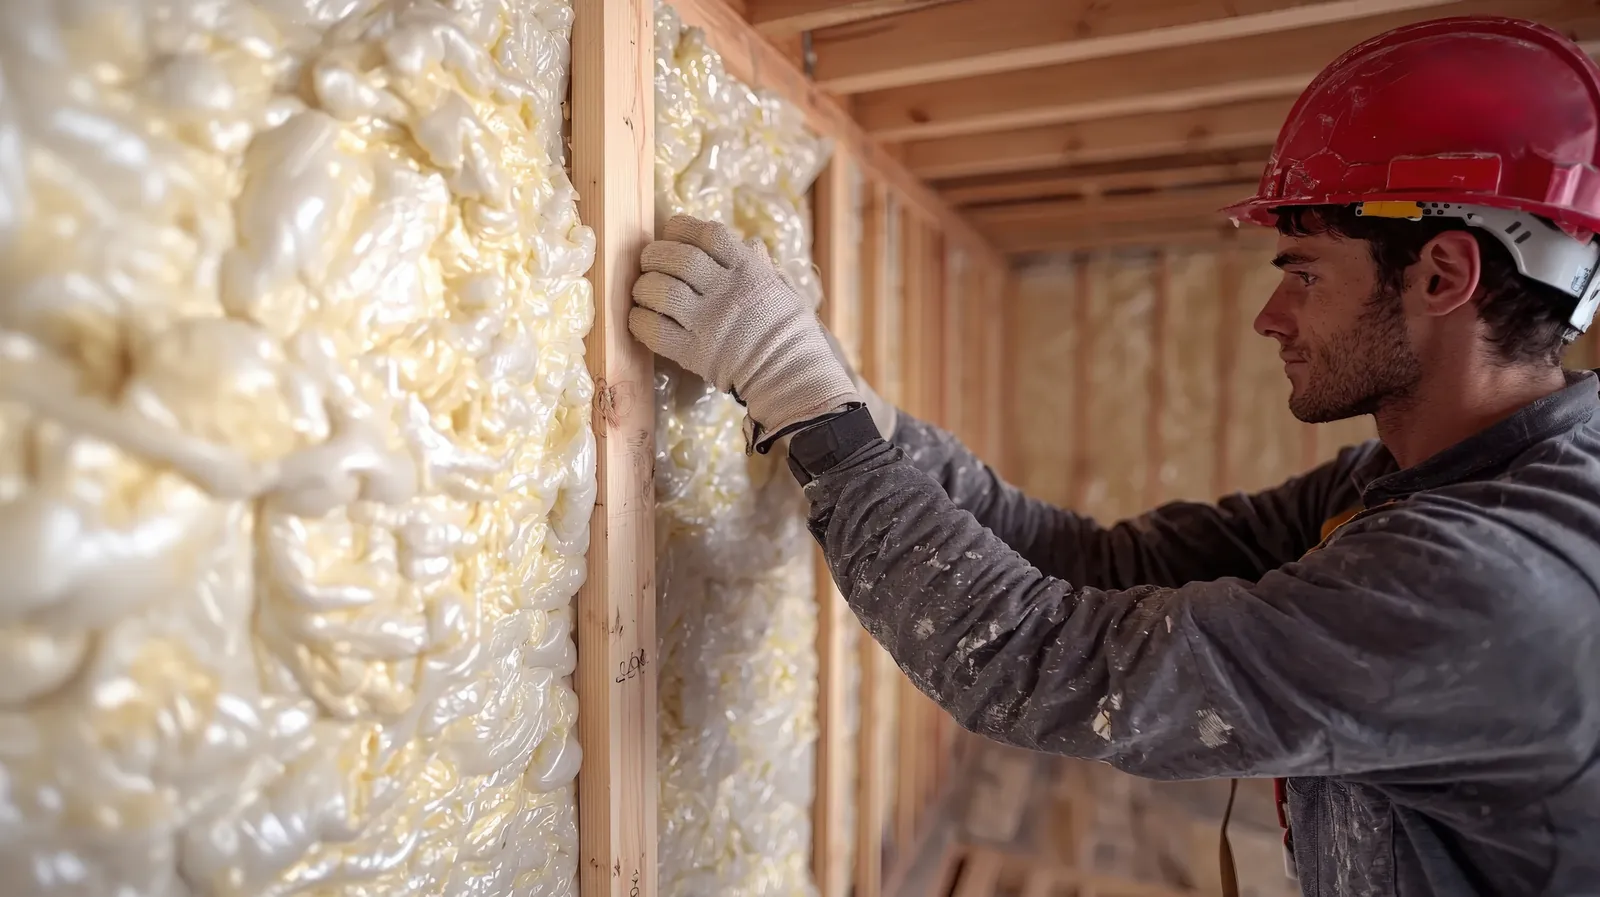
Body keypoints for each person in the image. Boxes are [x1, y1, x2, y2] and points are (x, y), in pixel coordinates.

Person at [627, 15, 1600, 897]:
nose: (1271, 316)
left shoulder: (1489, 584)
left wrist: (805, 405)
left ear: (1441, 274)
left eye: (1302, 274)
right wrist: (869, 426)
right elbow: (1099, 568)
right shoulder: (1433, 477)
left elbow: (1044, 660)